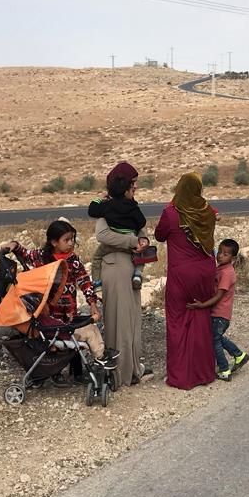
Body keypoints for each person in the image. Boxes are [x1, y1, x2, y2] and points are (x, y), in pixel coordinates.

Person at [0, 220, 116, 378]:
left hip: (69, 311)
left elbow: (85, 282)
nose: (70, 243)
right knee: (61, 343)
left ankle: (77, 374)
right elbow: (24, 254)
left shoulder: (73, 261)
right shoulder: (41, 257)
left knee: (74, 342)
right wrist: (13, 244)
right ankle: (55, 373)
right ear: (54, 242)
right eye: (66, 240)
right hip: (50, 314)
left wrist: (93, 304)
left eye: (72, 239)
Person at [155, 172, 218, 390]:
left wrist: (171, 205)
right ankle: (204, 372)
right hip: (205, 272)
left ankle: (181, 376)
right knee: (201, 319)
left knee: (177, 322)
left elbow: (159, 235)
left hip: (181, 274)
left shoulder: (171, 213)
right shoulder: (207, 210)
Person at [94, 162, 152, 386]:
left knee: (131, 320)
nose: (136, 187)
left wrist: (143, 239)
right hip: (116, 267)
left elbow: (141, 231)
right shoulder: (108, 207)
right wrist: (132, 241)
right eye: (133, 183)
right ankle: (121, 373)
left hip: (130, 266)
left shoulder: (130, 207)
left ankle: (132, 368)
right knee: (119, 322)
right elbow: (103, 235)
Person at [187, 238, 249, 381]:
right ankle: (239, 355)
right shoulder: (221, 268)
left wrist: (203, 305)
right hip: (219, 313)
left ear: (233, 258)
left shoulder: (227, 273)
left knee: (214, 340)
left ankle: (224, 369)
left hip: (220, 314)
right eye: (219, 251)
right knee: (217, 338)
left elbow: (219, 295)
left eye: (225, 254)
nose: (220, 255)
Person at [88, 172, 157, 291]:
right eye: (132, 188)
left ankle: (97, 283)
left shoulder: (107, 206)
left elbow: (92, 210)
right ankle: (137, 274)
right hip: (132, 244)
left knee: (97, 257)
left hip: (112, 245)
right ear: (126, 191)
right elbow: (141, 222)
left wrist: (99, 199)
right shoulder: (132, 207)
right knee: (142, 254)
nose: (134, 189)